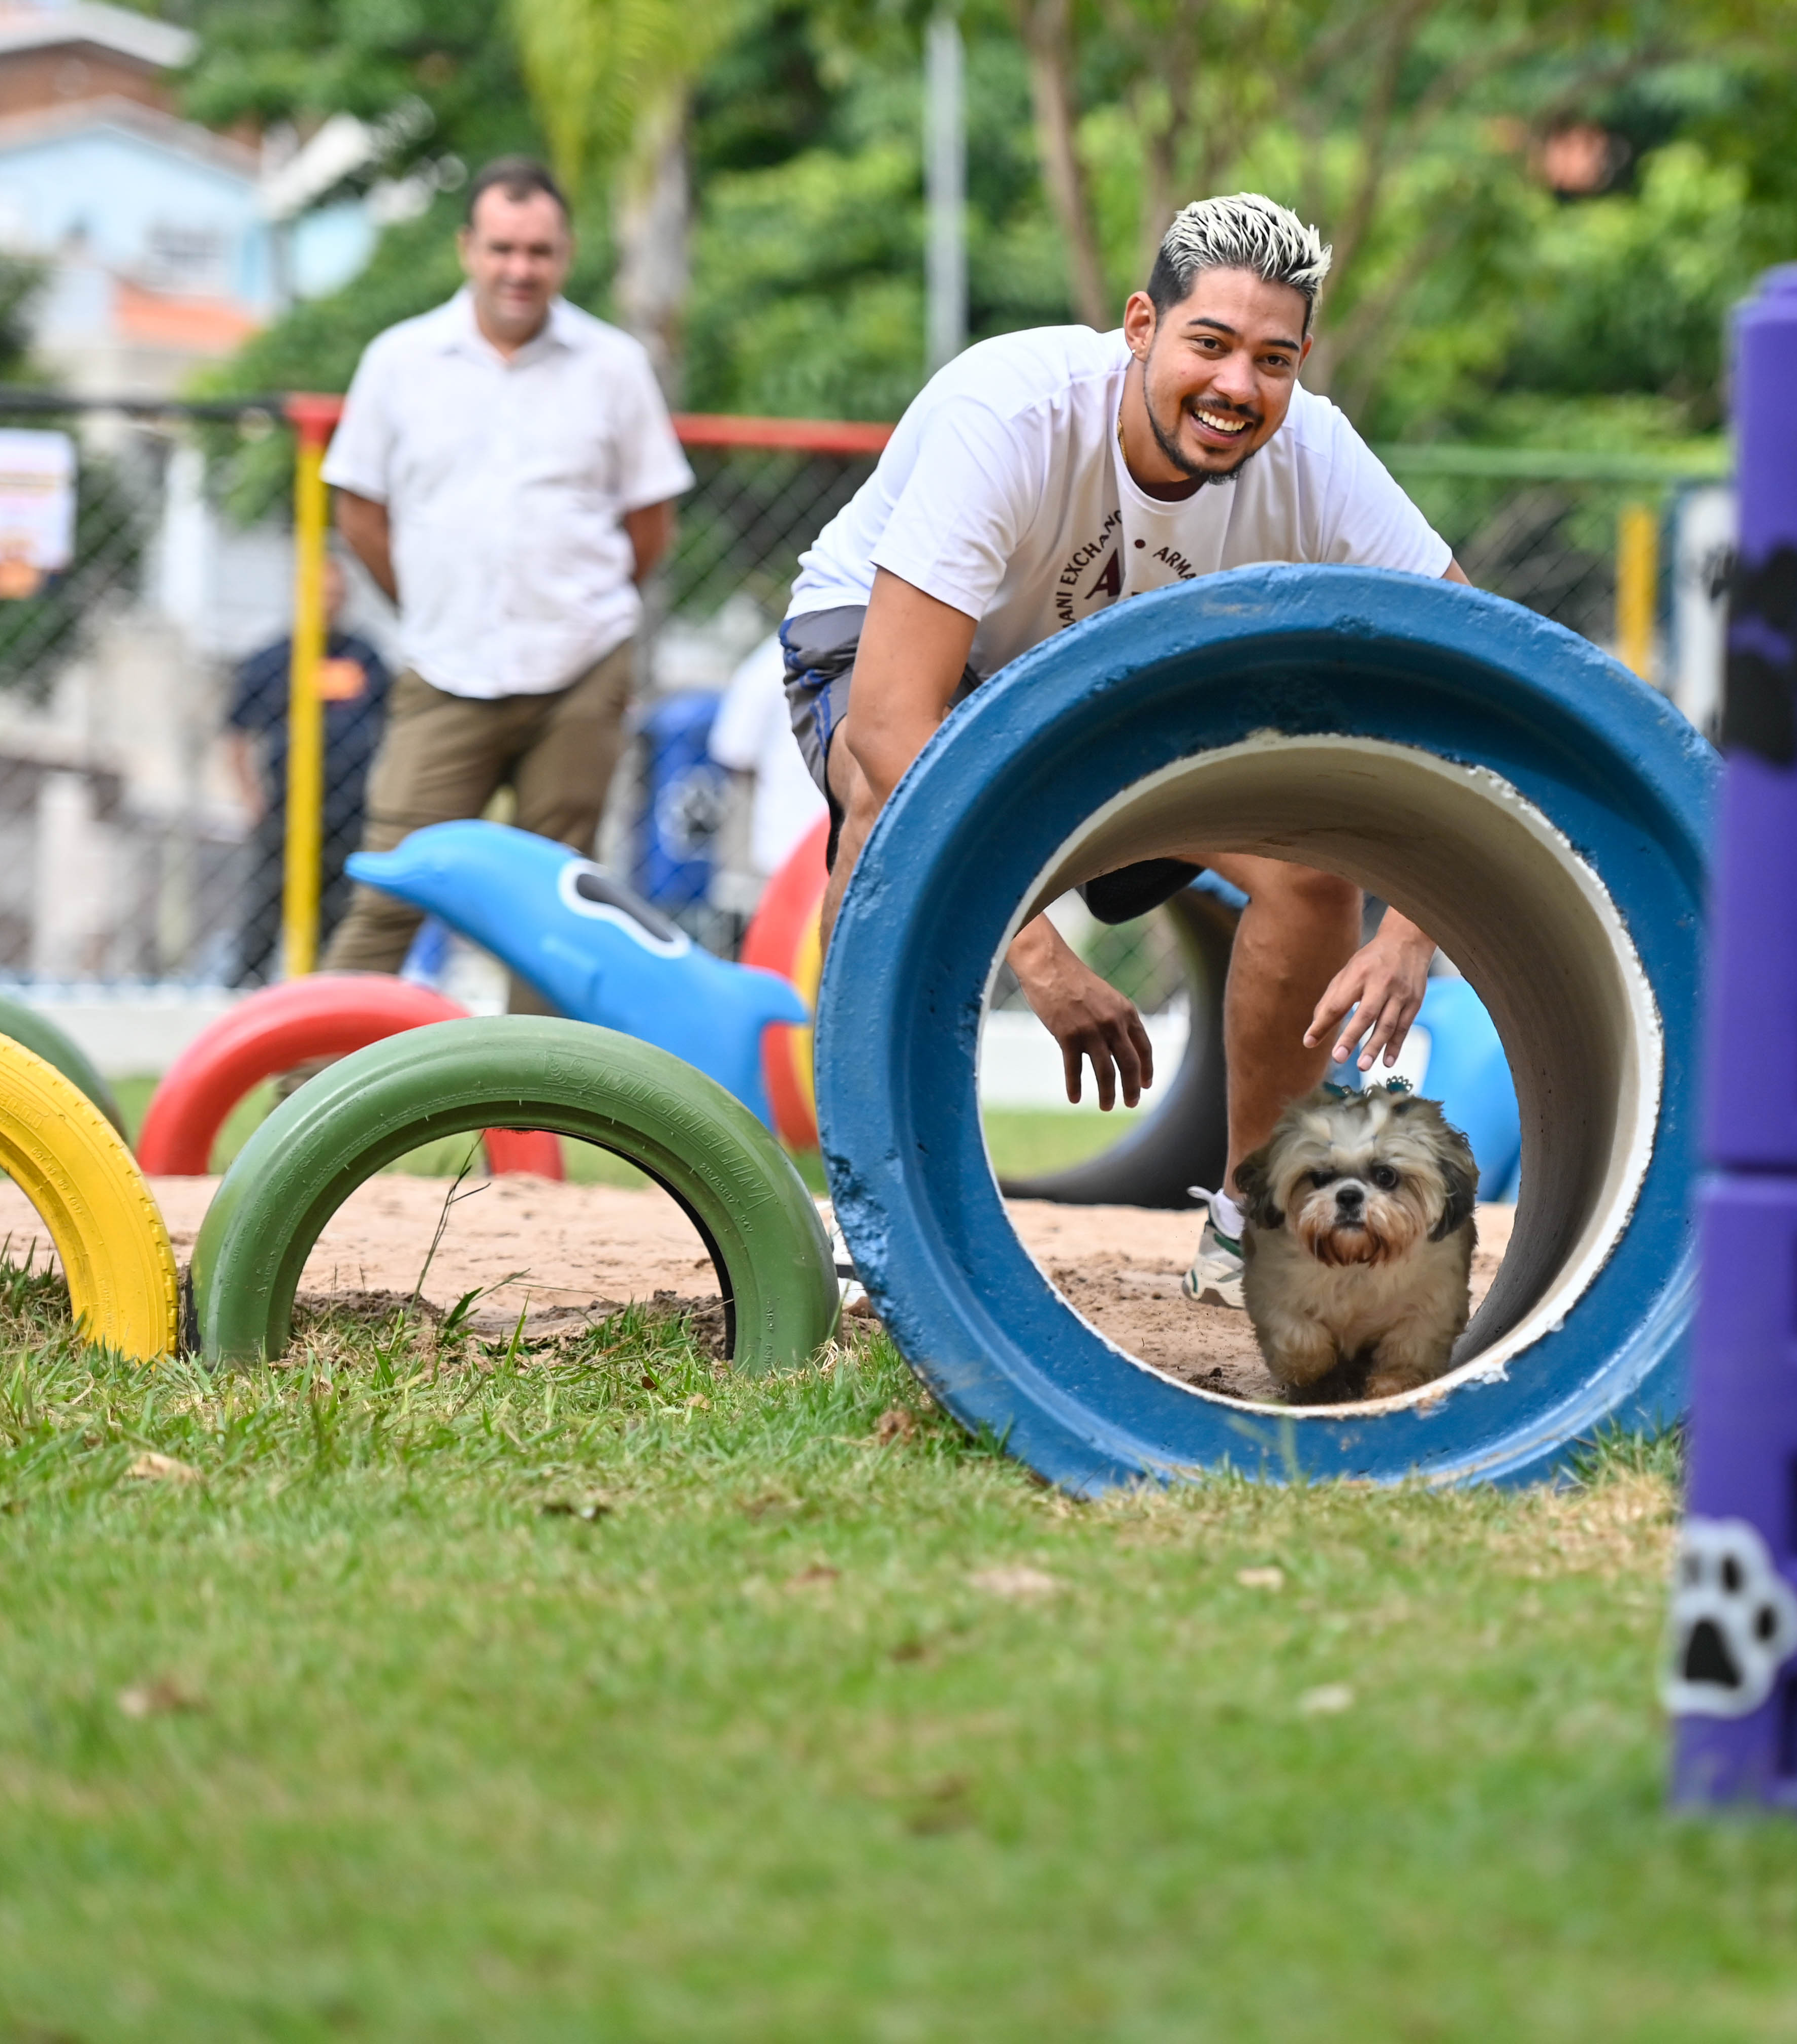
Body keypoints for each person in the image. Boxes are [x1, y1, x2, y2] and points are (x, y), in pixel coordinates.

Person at [783, 191, 1467, 1309]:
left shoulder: (1321, 457)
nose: (1238, 386)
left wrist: (1420, 924)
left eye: (1274, 358)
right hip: (907, 659)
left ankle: (1253, 1218)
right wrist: (1040, 959)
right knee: (877, 802)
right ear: (1142, 325)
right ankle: (873, 1201)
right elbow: (895, 725)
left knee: (1310, 865)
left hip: (1114, 692)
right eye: (1210, 343)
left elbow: (1475, 679)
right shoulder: (1013, 411)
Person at [313, 155, 695, 1007]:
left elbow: (649, 525)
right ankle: (303, 1110)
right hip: (447, 665)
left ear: (565, 255)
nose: (519, 269)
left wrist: (571, 599)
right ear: (467, 250)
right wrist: (435, 599)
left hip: (581, 663)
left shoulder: (615, 365)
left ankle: (526, 1134)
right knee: (391, 885)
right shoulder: (399, 360)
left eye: (538, 251)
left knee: (554, 910)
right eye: (502, 249)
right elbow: (361, 514)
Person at [221, 553, 392, 984]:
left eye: (337, 594)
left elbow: (395, 725)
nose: (330, 603)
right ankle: (244, 994)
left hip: (349, 811)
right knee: (265, 913)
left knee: (338, 916)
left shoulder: (364, 657)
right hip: (287, 809)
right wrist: (251, 799)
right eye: (321, 593)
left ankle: (327, 999)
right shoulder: (273, 659)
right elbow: (236, 733)